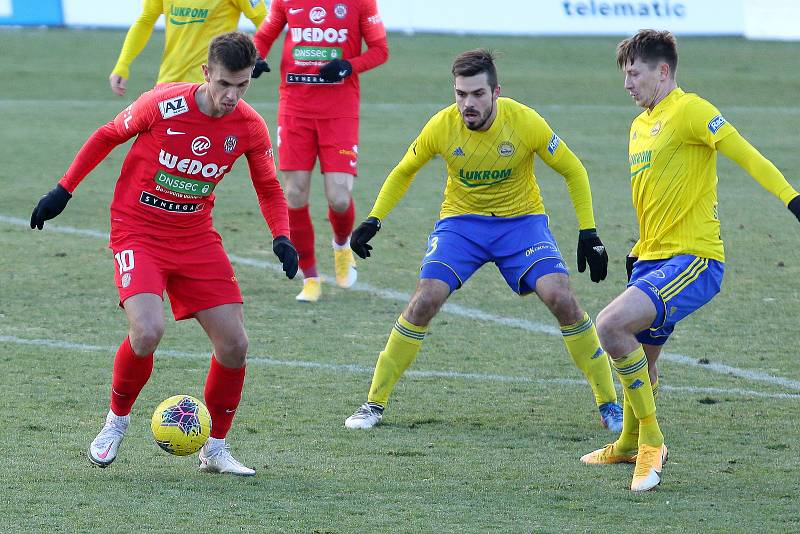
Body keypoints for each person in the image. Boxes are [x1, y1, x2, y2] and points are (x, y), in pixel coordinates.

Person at [30, 32, 299, 476]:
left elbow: (268, 185)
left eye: (243, 85)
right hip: (137, 231)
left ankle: (214, 450)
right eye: (225, 84)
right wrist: (63, 190)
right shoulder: (164, 104)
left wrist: (281, 236)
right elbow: (107, 135)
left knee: (235, 344)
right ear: (206, 73)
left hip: (196, 237)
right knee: (147, 331)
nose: (233, 96)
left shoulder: (249, 126)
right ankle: (115, 422)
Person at [343, 49, 623, 432]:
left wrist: (588, 232)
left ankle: (609, 404)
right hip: (461, 224)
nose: (467, 104)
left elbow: (573, 169)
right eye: (460, 94)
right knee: (425, 300)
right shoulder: (442, 125)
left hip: (521, 223)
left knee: (561, 298)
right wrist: (374, 219)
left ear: (495, 92)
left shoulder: (525, 122)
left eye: (477, 94)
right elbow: (404, 170)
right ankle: (373, 404)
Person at [579, 29, 800, 492]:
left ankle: (652, 443)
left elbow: (747, 154)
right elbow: (652, 195)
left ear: (663, 71)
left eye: (634, 73)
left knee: (610, 326)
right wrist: (639, 248)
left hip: (695, 260)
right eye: (624, 75)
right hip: (652, 259)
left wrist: (792, 199)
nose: (627, 85)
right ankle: (627, 442)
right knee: (645, 362)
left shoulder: (692, 110)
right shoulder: (639, 125)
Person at [254, 0, 389, 302]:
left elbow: (381, 50)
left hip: (339, 111)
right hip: (295, 108)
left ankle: (342, 247)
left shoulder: (360, 3)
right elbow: (264, 35)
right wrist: (256, 58)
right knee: (295, 193)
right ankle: (311, 277)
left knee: (339, 197)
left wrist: (348, 65)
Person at [108, 0, 270, 97]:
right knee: (164, 151)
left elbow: (264, 20)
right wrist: (122, 64)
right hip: (168, 83)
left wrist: (257, 56)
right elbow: (145, 20)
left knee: (203, 150)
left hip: (210, 85)